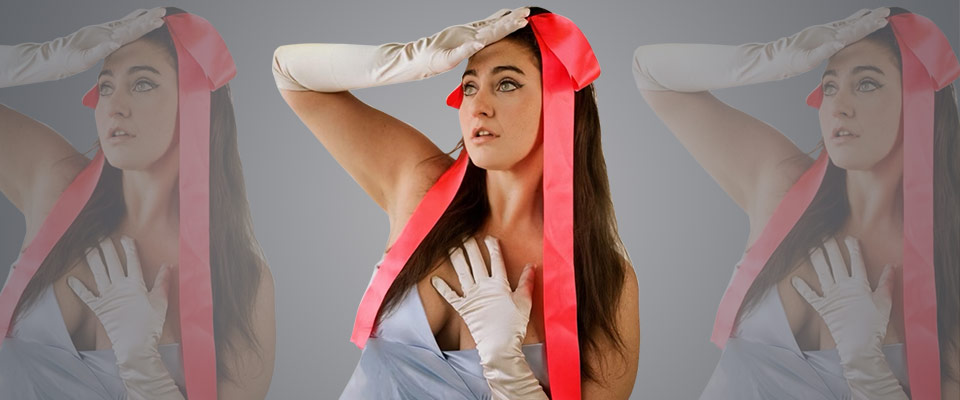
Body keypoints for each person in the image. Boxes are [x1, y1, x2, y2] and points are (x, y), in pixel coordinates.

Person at [273, 7, 639, 399]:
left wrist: (509, 372)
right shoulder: (421, 184)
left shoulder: (605, 281)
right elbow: (291, 74)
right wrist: (410, 58)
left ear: (561, 101)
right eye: (468, 86)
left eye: (507, 84)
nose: (478, 105)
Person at [633, 6, 959, 400]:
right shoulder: (782, 187)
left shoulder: (949, 267)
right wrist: (772, 58)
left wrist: (870, 373)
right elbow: (650, 72)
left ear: (921, 101)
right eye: (830, 86)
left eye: (867, 84)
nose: (838, 106)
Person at [0, 8, 275, 399]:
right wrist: (38, 60)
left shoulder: (241, 278)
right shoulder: (54, 182)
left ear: (195, 102)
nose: (115, 106)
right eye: (106, 86)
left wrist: (145, 371)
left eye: (142, 84)